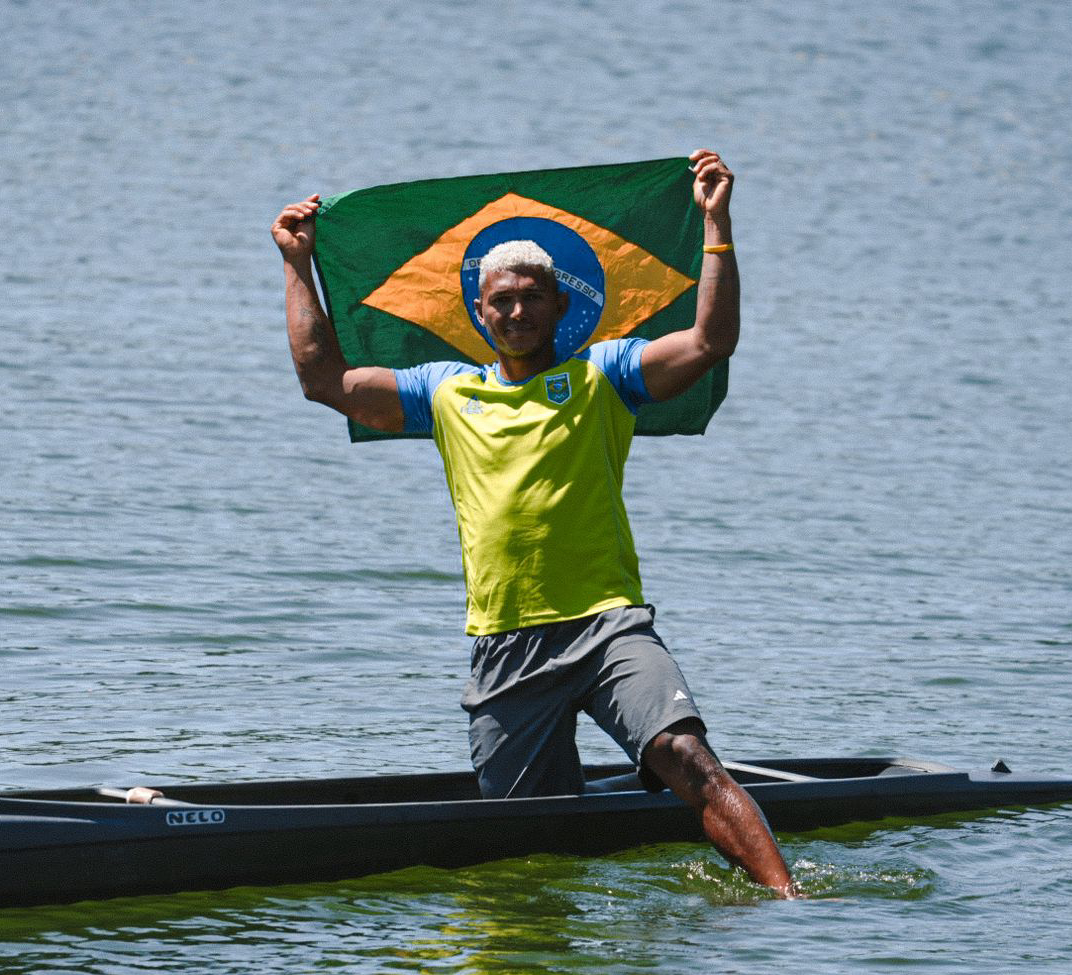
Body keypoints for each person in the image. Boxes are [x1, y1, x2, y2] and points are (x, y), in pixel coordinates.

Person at [270, 150, 798, 896]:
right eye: (499, 301)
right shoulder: (444, 393)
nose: (515, 312)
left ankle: (791, 904)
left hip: (609, 627)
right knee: (530, 845)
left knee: (689, 758)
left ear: (558, 305)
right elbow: (323, 380)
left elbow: (710, 343)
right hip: (506, 646)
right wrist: (296, 264)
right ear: (478, 313)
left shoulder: (604, 376)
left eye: (530, 298)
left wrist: (717, 225)